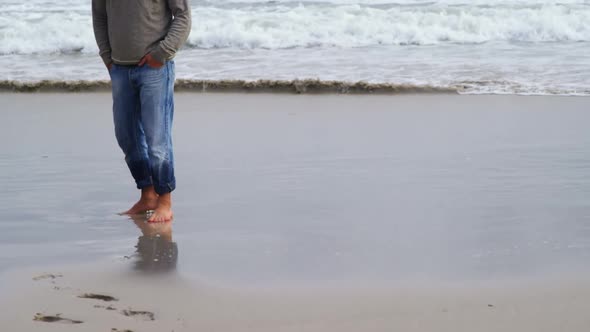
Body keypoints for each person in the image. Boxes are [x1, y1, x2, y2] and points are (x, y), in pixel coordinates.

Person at [92, 0, 191, 222]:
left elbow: (183, 17)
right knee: (127, 136)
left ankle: (165, 202)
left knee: (157, 139)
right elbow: (100, 17)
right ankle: (147, 195)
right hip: (119, 68)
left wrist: (162, 53)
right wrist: (107, 57)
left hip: (155, 68)